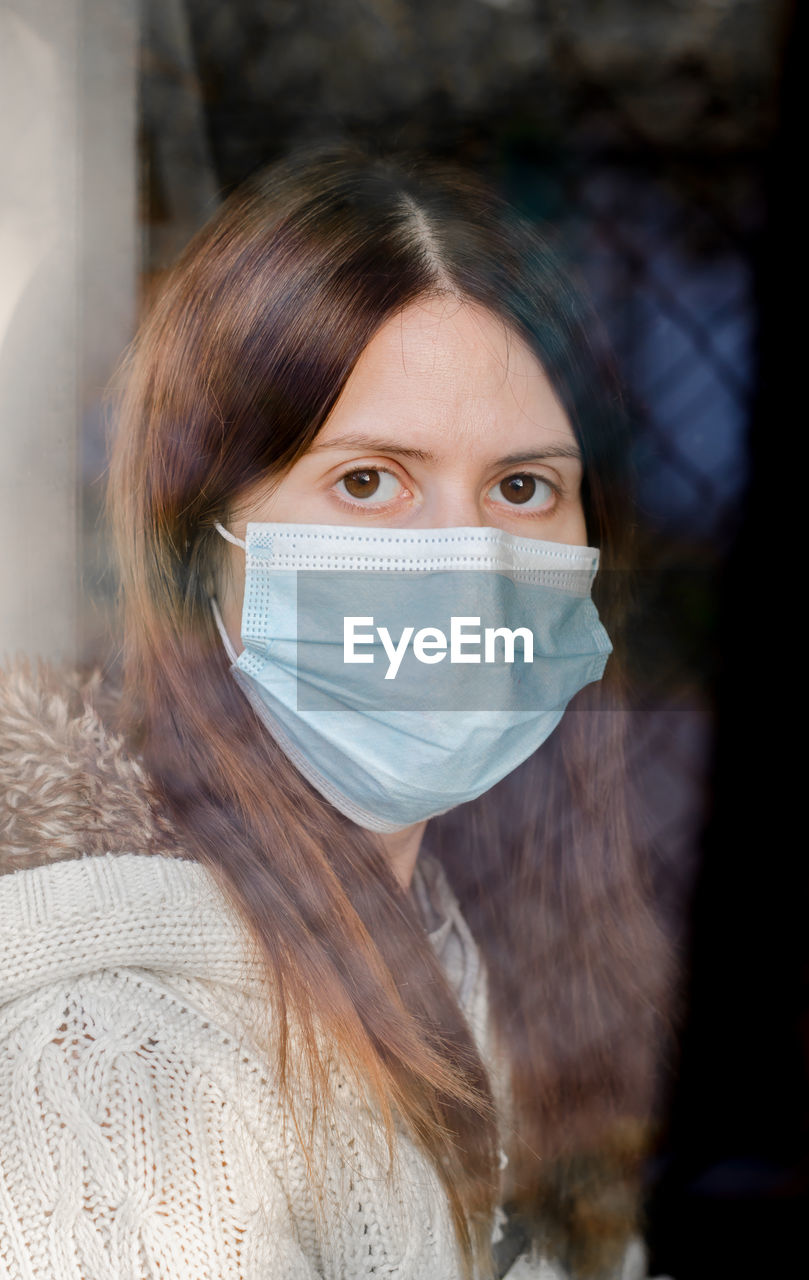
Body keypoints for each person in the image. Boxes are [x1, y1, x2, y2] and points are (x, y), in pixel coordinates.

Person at [0, 147, 675, 1279]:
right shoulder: (113, 1064)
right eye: (368, 480)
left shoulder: (479, 949)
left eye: (522, 487)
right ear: (199, 539)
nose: (464, 566)